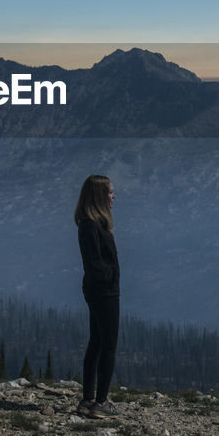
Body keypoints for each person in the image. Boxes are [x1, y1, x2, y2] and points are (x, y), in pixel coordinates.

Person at [74, 174, 122, 418]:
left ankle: (88, 398)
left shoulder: (90, 223)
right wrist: (112, 275)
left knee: (96, 342)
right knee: (108, 345)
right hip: (104, 292)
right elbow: (94, 263)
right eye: (111, 192)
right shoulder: (91, 226)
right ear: (100, 196)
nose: (114, 197)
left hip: (97, 290)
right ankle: (101, 402)